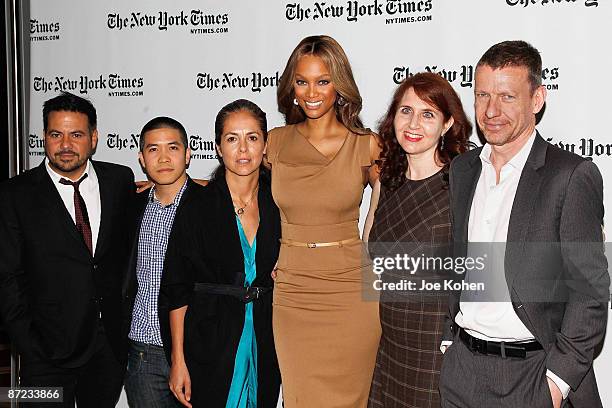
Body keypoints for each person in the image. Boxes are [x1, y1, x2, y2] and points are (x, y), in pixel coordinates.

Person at [439, 40, 609, 408]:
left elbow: (590, 292)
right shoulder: (463, 170)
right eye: (482, 95)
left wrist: (555, 384)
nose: (491, 110)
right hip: (461, 371)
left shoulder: (570, 176)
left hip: (532, 375)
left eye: (506, 97)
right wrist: (449, 342)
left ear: (537, 100)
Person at [267, 35, 381, 407]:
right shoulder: (275, 142)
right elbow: (236, 188)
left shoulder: (366, 144)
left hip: (350, 290)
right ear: (291, 86)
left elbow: (402, 196)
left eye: (323, 80)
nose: (311, 92)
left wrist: (374, 251)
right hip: (293, 292)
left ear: (339, 85)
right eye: (302, 81)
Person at [0, 92, 134, 407]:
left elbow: (126, 256)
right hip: (44, 357)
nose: (65, 145)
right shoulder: (13, 194)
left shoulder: (119, 180)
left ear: (94, 138)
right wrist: (30, 347)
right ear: (44, 137)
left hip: (107, 350)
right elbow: (6, 277)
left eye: (76, 134)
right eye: (55, 134)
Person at [162, 99, 281, 408]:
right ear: (217, 147)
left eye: (252, 138)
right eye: (232, 139)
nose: (243, 149)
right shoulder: (197, 206)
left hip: (266, 339)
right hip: (209, 340)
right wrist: (177, 360)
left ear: (265, 144)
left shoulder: (280, 202)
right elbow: (175, 289)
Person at [363, 72, 471, 408]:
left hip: (436, 344)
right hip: (388, 339)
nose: (414, 123)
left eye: (428, 114)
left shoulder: (462, 184)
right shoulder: (387, 182)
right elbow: (367, 257)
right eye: (406, 111)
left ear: (447, 124)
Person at [123, 117, 205, 407]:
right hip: (142, 352)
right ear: (141, 158)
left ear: (188, 153)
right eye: (153, 149)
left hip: (196, 351)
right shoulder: (131, 204)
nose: (164, 157)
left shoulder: (210, 204)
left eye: (173, 147)